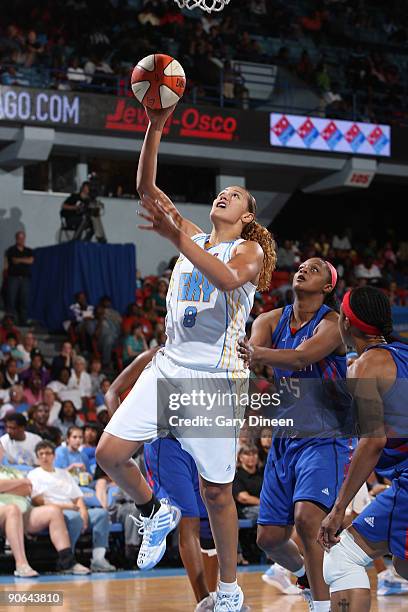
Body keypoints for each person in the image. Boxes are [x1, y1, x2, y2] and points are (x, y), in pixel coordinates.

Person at [96, 102, 276, 612]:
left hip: (215, 379)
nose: (225, 194)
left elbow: (223, 279)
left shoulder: (248, 253)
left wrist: (175, 234)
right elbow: (147, 190)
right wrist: (155, 126)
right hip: (169, 365)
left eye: (235, 195)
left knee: (217, 493)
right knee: (109, 455)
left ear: (246, 215)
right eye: (223, 190)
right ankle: (154, 510)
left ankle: (229, 590)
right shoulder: (193, 239)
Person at [238, 258, 355, 612]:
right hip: (285, 438)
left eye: (315, 268)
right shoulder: (270, 320)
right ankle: (305, 576)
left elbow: (301, 357)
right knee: (269, 538)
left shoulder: (334, 325)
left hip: (325, 436)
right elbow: (250, 353)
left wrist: (256, 352)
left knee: (307, 519)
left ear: (328, 286)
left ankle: (321, 605)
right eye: (302, 265)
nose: (304, 269)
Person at [104, 348, 221, 611]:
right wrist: (124, 430)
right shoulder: (154, 356)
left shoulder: (206, 356)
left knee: (209, 526)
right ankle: (203, 600)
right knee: (188, 522)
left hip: (200, 442)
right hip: (166, 446)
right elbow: (112, 392)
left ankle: (216, 598)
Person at [318, 287, 408, 610]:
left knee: (342, 557)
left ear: (346, 322)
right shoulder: (401, 354)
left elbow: (373, 440)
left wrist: (339, 507)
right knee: (402, 565)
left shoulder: (365, 367)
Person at [28, 440, 115, 572]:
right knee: (74, 517)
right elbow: (37, 501)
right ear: (37, 457)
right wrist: (67, 507)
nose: (45, 457)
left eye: (48, 453)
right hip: (55, 511)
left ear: (54, 455)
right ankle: (68, 561)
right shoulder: (34, 474)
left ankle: (98, 559)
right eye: (41, 454)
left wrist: (84, 512)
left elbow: (77, 497)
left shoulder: (64, 473)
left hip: (73, 508)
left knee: (101, 514)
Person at [0, 463, 89, 576]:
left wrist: (4, 488)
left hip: (24, 512)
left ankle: (67, 562)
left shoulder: (12, 471)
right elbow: (22, 484)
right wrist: (20, 483)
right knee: (13, 510)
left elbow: (27, 489)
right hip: (3, 511)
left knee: (53, 511)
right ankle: (21, 564)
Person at [4, 231, 34, 325]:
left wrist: (20, 260)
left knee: (24, 300)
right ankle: (12, 321)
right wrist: (25, 260)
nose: (21, 240)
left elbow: (31, 261)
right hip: (13, 278)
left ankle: (23, 321)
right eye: (19, 238)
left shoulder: (28, 250)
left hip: (25, 278)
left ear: (24, 239)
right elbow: (13, 260)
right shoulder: (11, 250)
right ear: (16, 239)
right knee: (12, 300)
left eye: (22, 238)